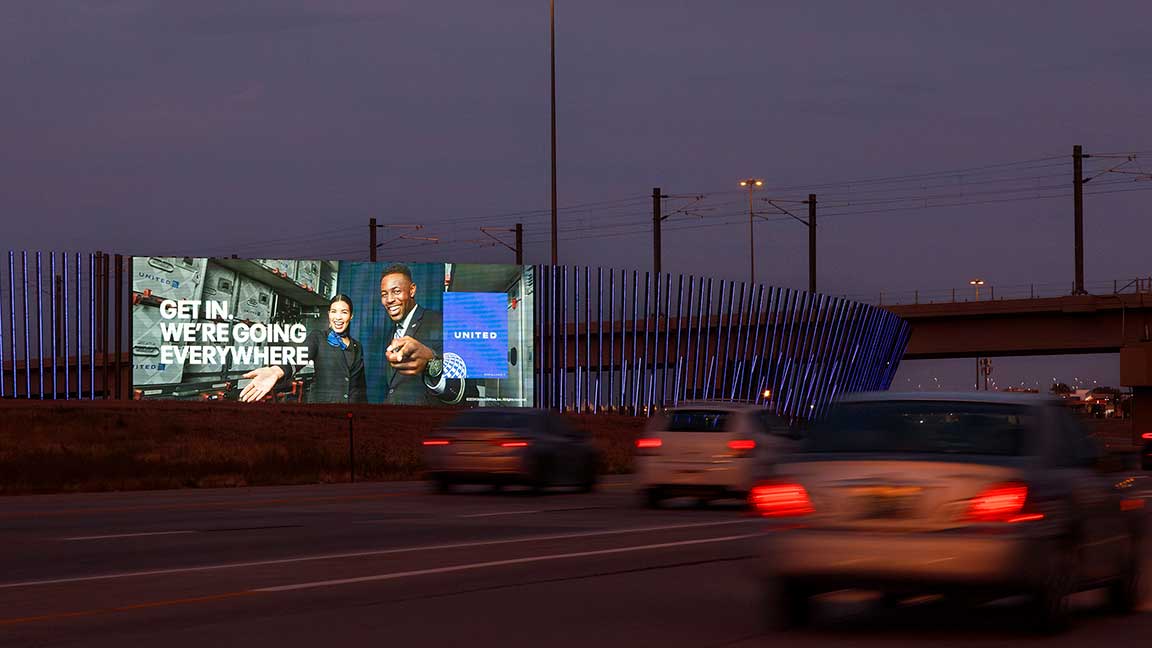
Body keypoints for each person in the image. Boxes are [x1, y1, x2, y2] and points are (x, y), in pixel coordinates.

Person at [239, 293, 368, 404]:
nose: (338, 317)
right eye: (334, 311)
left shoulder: (357, 346)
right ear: (329, 314)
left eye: (344, 312)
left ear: (351, 316)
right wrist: (276, 370)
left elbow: (360, 387)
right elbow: (298, 356)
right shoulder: (318, 337)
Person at [379, 263, 467, 405]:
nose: (389, 300)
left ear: (412, 290)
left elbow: (467, 391)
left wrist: (431, 363)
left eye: (396, 291)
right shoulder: (391, 333)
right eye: (384, 294)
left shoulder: (443, 322)